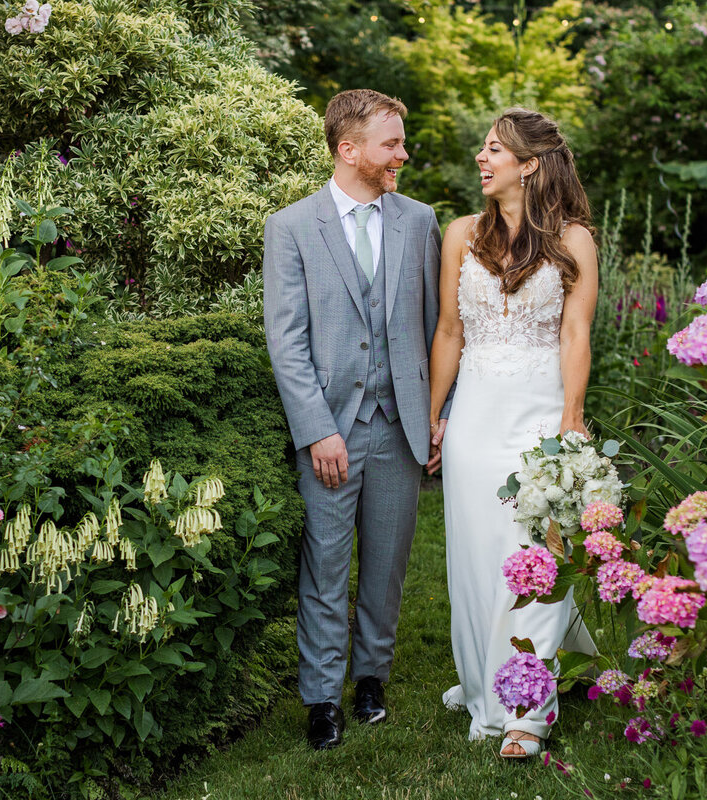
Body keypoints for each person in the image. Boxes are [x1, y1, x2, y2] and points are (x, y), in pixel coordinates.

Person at [263, 89, 447, 750]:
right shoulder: (291, 227)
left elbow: (437, 328)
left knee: (388, 564)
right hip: (330, 432)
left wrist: (437, 416)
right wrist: (316, 428)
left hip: (397, 425)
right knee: (325, 565)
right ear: (349, 149)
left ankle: (371, 677)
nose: (403, 153)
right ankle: (321, 697)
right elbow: (286, 341)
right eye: (392, 143)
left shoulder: (419, 221)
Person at [427, 108, 599, 759]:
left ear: (529, 164)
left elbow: (575, 334)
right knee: (478, 557)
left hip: (538, 416)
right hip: (475, 419)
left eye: (494, 149)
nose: (482, 157)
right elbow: (450, 330)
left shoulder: (573, 239)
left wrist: (572, 419)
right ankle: (484, 679)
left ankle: (528, 710)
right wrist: (433, 412)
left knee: (536, 554)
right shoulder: (459, 235)